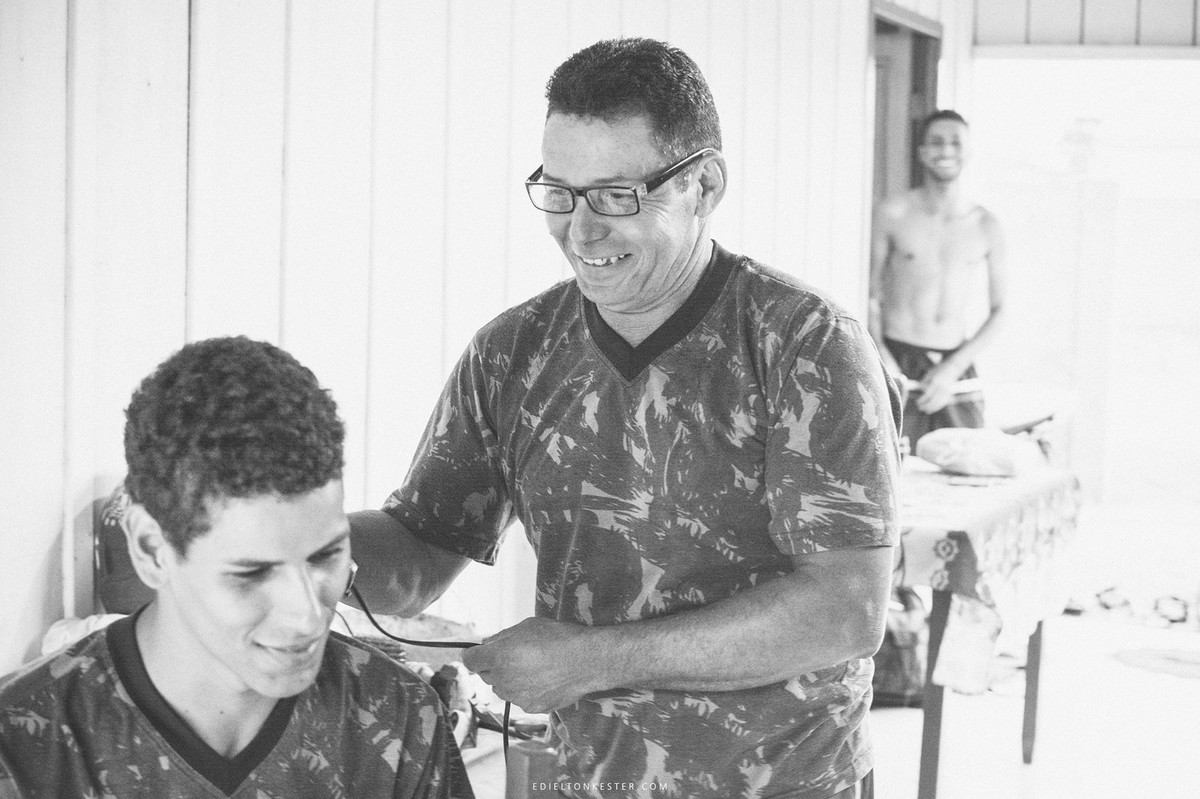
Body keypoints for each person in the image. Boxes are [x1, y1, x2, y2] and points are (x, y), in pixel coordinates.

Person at [351, 38, 900, 799]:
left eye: (616, 195)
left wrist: (589, 658)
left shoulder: (803, 345)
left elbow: (846, 609)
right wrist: (277, 540)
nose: (581, 231)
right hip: (587, 778)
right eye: (560, 191)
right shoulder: (514, 352)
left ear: (703, 185)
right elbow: (416, 556)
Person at [0, 337, 472, 798]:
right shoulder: (23, 747)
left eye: (326, 556)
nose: (307, 616)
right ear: (150, 549)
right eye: (251, 573)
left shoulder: (401, 718)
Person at [869, 109, 1008, 445]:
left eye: (955, 143)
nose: (946, 151)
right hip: (897, 359)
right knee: (890, 470)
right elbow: (869, 295)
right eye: (936, 142)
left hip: (954, 364)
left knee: (967, 466)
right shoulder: (892, 213)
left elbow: (1000, 311)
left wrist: (952, 369)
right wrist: (883, 361)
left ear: (968, 152)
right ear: (922, 153)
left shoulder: (986, 224)